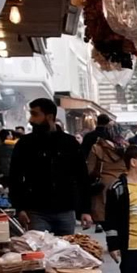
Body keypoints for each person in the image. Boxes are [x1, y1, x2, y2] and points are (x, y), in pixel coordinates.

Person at [8, 99, 92, 235]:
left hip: (65, 209)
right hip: (35, 210)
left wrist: (85, 210)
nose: (31, 120)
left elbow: (82, 177)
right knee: (39, 247)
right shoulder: (25, 143)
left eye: (35, 114)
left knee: (66, 247)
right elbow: (15, 177)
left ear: (49, 116)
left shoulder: (69, 143)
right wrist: (19, 208)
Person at [86, 118, 128, 230]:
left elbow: (90, 170)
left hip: (104, 185)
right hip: (124, 183)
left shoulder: (97, 148)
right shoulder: (126, 147)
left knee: (107, 220)